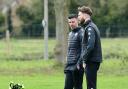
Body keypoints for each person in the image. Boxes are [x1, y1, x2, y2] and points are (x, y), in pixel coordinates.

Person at [77, 6, 102, 89]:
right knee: (91, 85)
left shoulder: (90, 28)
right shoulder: (91, 26)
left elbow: (90, 46)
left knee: (91, 86)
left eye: (79, 15)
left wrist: (84, 59)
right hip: (92, 60)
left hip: (91, 60)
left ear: (85, 15)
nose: (78, 17)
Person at [64, 14, 84, 89]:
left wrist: (79, 63)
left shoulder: (81, 33)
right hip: (69, 65)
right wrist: (67, 59)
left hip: (77, 66)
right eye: (69, 22)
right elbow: (69, 49)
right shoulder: (70, 34)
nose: (71, 24)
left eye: (73, 22)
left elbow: (84, 50)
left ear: (77, 21)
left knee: (78, 87)